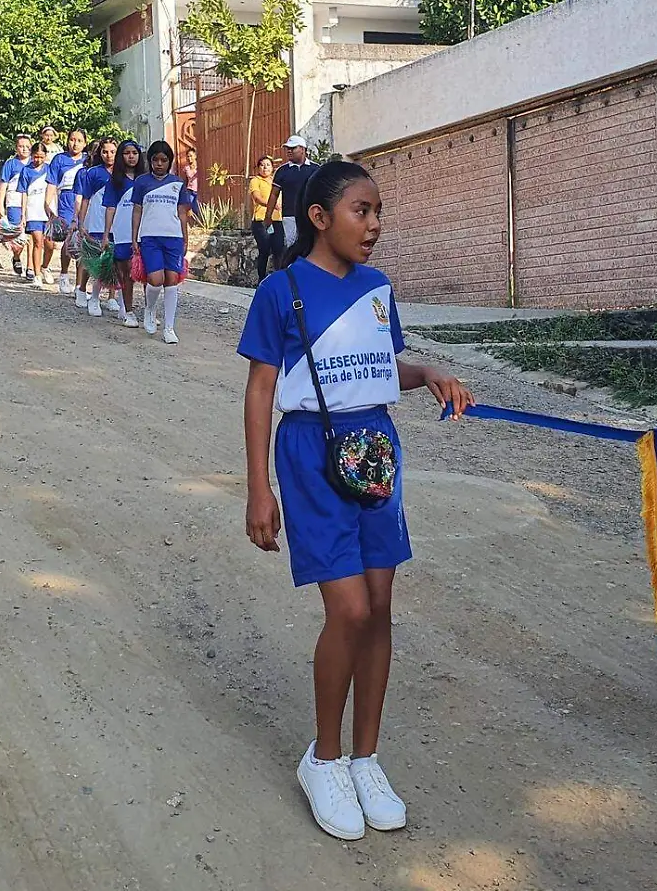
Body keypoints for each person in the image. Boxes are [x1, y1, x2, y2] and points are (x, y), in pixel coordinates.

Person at [238, 159, 474, 842]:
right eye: (360, 212)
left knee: (381, 608)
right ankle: (326, 757)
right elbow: (259, 392)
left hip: (375, 450)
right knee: (349, 608)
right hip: (311, 455)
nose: (373, 226)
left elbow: (376, 366)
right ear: (320, 217)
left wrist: (427, 371)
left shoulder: (378, 288)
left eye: (377, 213)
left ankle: (367, 758)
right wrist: (259, 489)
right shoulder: (281, 293)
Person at [130, 139, 195, 343]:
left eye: (163, 160)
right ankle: (149, 309)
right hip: (149, 237)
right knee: (155, 279)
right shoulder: (141, 182)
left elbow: (182, 212)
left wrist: (185, 237)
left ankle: (169, 327)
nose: (159, 164)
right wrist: (134, 236)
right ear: (149, 161)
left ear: (170, 161)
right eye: (155, 160)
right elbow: (137, 210)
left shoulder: (178, 183)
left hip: (173, 237)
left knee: (172, 280)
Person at [101, 140, 144, 328]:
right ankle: (128, 310)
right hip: (122, 232)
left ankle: (149, 311)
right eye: (127, 153)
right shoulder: (115, 181)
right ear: (121, 156)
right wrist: (106, 234)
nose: (131, 156)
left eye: (134, 152)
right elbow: (110, 208)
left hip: (144, 232)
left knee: (146, 273)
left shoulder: (146, 179)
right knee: (126, 273)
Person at [75, 138, 119, 315]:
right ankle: (83, 289)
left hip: (116, 221)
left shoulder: (122, 174)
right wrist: (81, 222)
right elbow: (85, 198)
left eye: (112, 152)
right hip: (95, 220)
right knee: (92, 258)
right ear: (100, 153)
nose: (109, 155)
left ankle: (111, 296)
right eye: (105, 152)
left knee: (114, 260)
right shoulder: (92, 173)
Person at [50, 128, 88, 293]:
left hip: (85, 201)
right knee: (69, 237)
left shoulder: (88, 160)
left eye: (79, 140)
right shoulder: (59, 159)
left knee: (82, 240)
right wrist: (48, 205)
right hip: (66, 199)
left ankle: (80, 284)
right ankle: (64, 274)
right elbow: (51, 183)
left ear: (85, 143)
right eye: (72, 139)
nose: (75, 143)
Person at [268, 135, 319, 251]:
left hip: (311, 215)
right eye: (288, 149)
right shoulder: (282, 171)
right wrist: (268, 216)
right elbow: (274, 194)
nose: (289, 151)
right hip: (290, 216)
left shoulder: (316, 169)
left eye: (293, 148)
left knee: (312, 245)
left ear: (302, 149)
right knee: (292, 247)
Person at [16, 142, 55, 284]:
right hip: (33, 210)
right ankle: (37, 274)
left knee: (50, 244)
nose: (38, 160)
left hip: (48, 210)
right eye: (36, 157)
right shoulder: (26, 171)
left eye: (41, 157)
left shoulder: (50, 169)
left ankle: (45, 267)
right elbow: (24, 193)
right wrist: (23, 214)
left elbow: (54, 188)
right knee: (37, 241)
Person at [0, 133, 32, 276]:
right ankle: (17, 256)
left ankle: (31, 267)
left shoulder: (35, 162)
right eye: (21, 146)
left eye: (27, 146)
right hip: (15, 202)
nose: (24, 149)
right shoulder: (10, 164)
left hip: (33, 203)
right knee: (17, 235)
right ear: (16, 148)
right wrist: (0, 205)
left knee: (33, 235)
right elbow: (3, 185)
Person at [249, 154, 282, 282]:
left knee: (279, 250)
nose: (265, 167)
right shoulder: (255, 181)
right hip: (261, 221)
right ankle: (261, 279)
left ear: (272, 167)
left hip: (277, 220)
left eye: (268, 165)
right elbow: (257, 197)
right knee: (264, 250)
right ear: (258, 168)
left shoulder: (276, 181)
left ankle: (279, 280)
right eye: (262, 165)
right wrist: (271, 205)